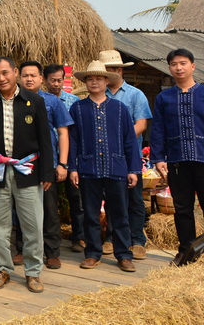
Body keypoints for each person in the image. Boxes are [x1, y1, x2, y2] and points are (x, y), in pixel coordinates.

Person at [0, 57, 53, 293]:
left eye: (5, 73)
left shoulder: (35, 101)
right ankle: (3, 269)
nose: (1, 78)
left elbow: (45, 140)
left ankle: (33, 272)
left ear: (15, 72)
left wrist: (46, 172)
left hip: (28, 171)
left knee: (32, 224)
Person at [68, 60, 140, 273]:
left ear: (107, 81)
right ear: (85, 82)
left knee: (120, 214)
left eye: (99, 78)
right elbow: (73, 141)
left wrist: (133, 170)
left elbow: (129, 140)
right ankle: (92, 253)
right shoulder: (78, 108)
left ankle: (124, 255)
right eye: (90, 79)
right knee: (91, 214)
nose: (94, 82)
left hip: (116, 168)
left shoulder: (119, 109)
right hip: (88, 169)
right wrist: (73, 168)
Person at [14, 61, 73, 269]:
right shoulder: (13, 101)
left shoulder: (53, 102)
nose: (29, 79)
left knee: (49, 209)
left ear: (41, 78)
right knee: (22, 209)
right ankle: (23, 249)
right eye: (25, 75)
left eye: (33, 75)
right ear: (19, 78)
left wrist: (62, 164)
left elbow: (63, 133)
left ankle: (52, 252)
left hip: (48, 163)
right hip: (21, 164)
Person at [150, 48, 204, 264]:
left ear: (193, 66)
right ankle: (186, 253)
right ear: (169, 68)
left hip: (203, 158)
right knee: (182, 209)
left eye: (183, 63)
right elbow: (158, 129)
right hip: (177, 160)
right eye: (174, 64)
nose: (178, 68)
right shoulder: (164, 98)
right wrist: (158, 158)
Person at [99, 49, 152, 259]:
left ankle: (137, 240)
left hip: (129, 156)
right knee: (112, 198)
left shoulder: (135, 94)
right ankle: (112, 238)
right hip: (106, 158)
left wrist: (119, 140)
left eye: (115, 68)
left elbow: (141, 124)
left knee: (135, 199)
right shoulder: (98, 95)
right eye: (108, 69)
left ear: (121, 70)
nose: (113, 72)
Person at [43, 63, 85, 253]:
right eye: (53, 80)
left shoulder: (73, 102)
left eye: (60, 80)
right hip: (49, 158)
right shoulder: (40, 101)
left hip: (71, 157)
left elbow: (76, 132)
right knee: (49, 201)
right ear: (45, 80)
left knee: (76, 198)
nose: (56, 84)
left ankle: (79, 237)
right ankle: (49, 240)